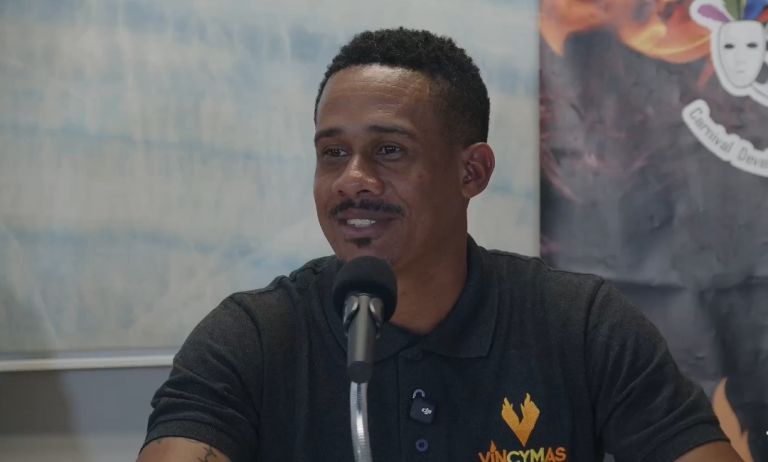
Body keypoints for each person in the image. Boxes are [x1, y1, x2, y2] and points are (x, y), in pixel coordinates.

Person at [137, 28, 742, 462]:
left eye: (389, 151)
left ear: (472, 172)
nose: (352, 180)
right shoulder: (252, 336)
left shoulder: (580, 324)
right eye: (333, 153)